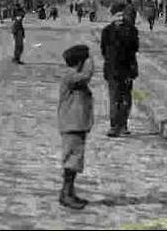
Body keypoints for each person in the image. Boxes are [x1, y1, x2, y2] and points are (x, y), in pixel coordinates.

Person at [58, 44, 94, 210]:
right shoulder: (70, 76)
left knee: (75, 159)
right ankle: (66, 194)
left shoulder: (73, 75)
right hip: (71, 124)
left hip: (76, 123)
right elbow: (86, 76)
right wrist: (90, 62)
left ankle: (69, 192)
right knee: (72, 159)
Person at [100, 11, 139, 137]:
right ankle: (114, 125)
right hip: (112, 69)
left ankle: (123, 124)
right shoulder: (107, 31)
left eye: (123, 15)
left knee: (126, 98)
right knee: (114, 98)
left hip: (127, 68)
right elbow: (103, 49)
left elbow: (135, 48)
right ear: (113, 17)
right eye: (118, 16)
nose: (121, 18)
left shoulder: (132, 31)